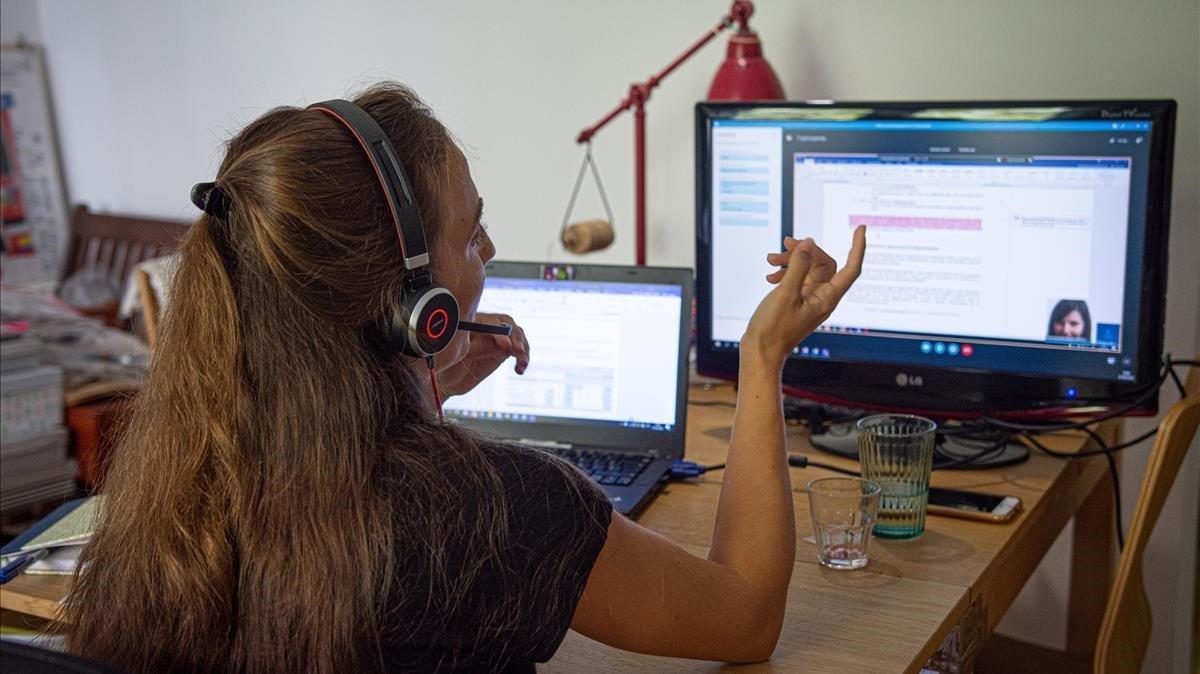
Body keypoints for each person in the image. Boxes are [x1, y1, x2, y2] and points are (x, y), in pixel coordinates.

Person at [61, 83, 866, 673]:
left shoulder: (170, 486)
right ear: (416, 306)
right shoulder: (492, 508)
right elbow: (746, 617)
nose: (488, 254)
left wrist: (423, 393)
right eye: (472, 234)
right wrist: (763, 358)